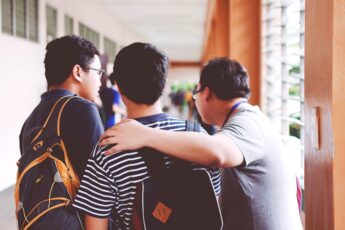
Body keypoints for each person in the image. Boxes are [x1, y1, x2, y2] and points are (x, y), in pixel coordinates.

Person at [100, 58, 303, 230]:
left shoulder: (248, 123)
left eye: (195, 94)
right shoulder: (249, 119)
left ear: (206, 93)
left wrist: (144, 134)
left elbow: (217, 152)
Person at [73, 42, 221, 229]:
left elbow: (95, 227)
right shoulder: (199, 138)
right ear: (164, 83)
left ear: (118, 86)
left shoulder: (108, 149)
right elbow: (213, 209)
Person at [19, 35, 104, 199]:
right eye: (98, 72)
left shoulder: (30, 120)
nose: (100, 81)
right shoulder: (84, 110)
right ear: (77, 72)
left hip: (38, 220)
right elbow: (99, 183)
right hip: (74, 220)